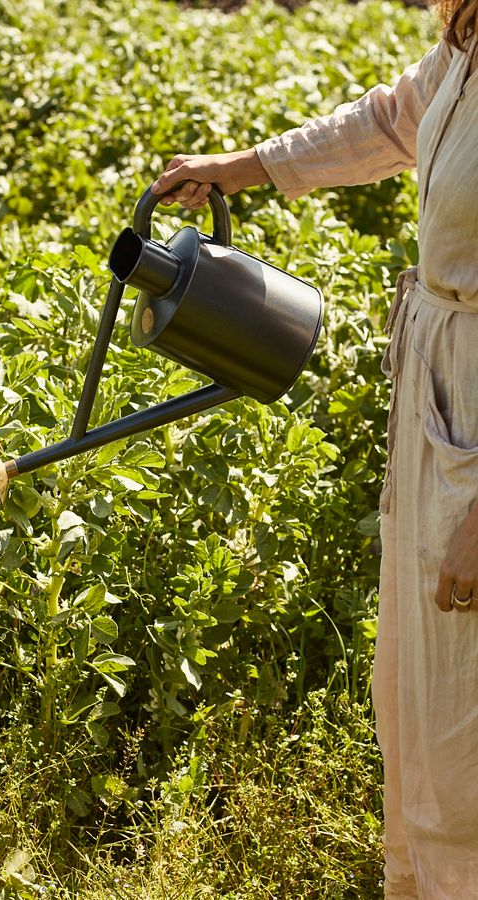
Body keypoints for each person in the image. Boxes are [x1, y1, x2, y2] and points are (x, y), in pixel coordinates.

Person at [151, 1, 478, 897]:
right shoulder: (466, 47)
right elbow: (387, 122)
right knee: (420, 692)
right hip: (444, 395)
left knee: (467, 722)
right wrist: (242, 168)